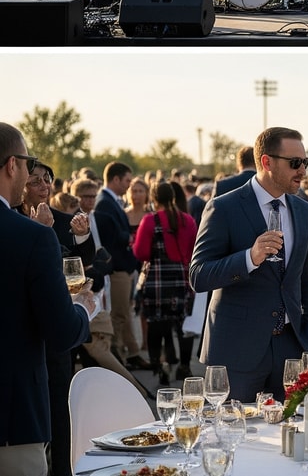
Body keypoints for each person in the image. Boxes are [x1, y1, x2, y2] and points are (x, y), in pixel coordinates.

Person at [189, 127, 308, 401]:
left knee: (289, 437)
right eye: (295, 163)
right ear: (266, 162)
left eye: (304, 162)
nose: (302, 171)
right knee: (231, 435)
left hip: (290, 347)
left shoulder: (303, 210)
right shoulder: (223, 207)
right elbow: (199, 275)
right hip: (236, 349)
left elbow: (306, 278)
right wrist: (249, 258)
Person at [0, 123, 98, 476]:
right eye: (28, 165)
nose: (32, 176)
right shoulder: (31, 236)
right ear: (13, 165)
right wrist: (82, 309)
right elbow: (60, 332)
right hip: (11, 423)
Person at [132, 181, 198, 385]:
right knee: (183, 326)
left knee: (157, 325)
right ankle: (184, 366)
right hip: (183, 278)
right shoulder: (187, 220)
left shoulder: (150, 221)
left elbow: (141, 252)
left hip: (157, 281)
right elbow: (195, 249)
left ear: (154, 198)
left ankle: (160, 368)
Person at [95, 162, 144, 369]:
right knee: (119, 314)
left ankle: (128, 354)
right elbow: (112, 238)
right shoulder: (105, 203)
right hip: (116, 268)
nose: (128, 186)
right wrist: (128, 237)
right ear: (115, 179)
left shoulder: (111, 201)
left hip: (122, 266)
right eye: (126, 181)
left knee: (123, 313)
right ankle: (117, 358)